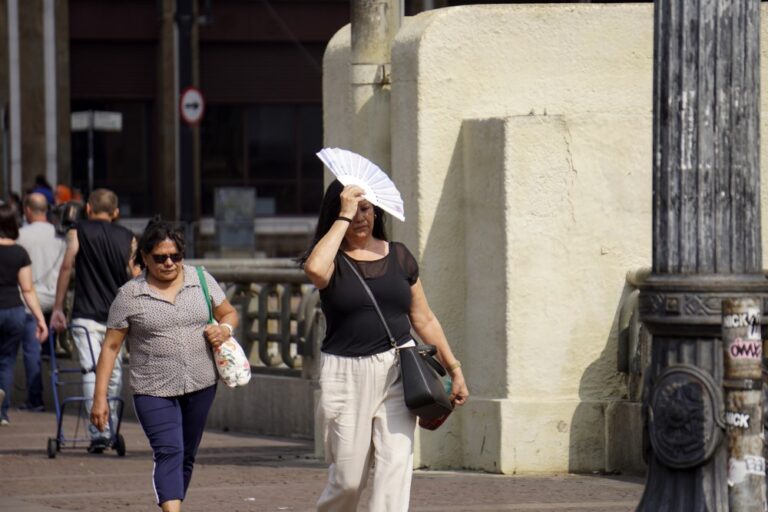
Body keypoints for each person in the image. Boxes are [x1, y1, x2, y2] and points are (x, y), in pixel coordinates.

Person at [299, 180, 469, 511]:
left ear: (376, 211)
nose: (360, 217)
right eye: (350, 209)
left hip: (398, 368)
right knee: (348, 481)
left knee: (395, 471)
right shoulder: (331, 258)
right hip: (346, 374)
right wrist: (343, 217)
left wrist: (454, 368)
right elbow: (315, 271)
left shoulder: (400, 256)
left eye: (366, 208)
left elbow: (425, 320)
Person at [90, 219, 238, 512]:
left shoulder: (201, 279)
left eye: (175, 256)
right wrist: (100, 398)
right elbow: (111, 347)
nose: (169, 263)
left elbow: (229, 313)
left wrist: (225, 330)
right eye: (160, 258)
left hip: (201, 383)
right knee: (169, 450)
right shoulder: (129, 295)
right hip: (152, 388)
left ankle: (172, 501)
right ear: (144, 257)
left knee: (186, 454)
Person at [50, 188, 139, 452]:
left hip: (85, 312)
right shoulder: (127, 236)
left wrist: (57, 307)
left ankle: (97, 430)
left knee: (91, 370)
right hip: (118, 314)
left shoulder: (78, 231)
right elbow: (135, 275)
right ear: (116, 213)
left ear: (88, 208)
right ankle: (108, 425)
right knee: (114, 372)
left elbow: (67, 266)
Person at [16, 193, 66, 411]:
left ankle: (35, 398)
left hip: (29, 300)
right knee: (50, 350)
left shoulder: (19, 235)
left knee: (31, 349)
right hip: (56, 300)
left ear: (28, 209)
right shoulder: (60, 235)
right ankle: (57, 393)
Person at [0, 204, 49, 425]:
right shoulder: (20, 253)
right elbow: (27, 289)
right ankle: (2, 413)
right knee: (7, 362)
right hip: (14, 310)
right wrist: (40, 319)